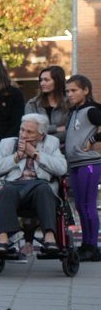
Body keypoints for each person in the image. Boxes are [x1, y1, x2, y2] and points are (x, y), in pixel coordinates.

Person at [0, 113, 66, 256]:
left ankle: (49, 236)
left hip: (40, 188)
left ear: (41, 135)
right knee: (6, 190)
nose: (23, 135)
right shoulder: (8, 143)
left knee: (43, 188)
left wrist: (35, 154)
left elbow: (61, 168)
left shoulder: (51, 142)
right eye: (22, 130)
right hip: (15, 187)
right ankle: (3, 237)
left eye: (29, 132)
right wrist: (16, 157)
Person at [64, 75, 101, 261]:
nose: (69, 94)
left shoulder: (92, 110)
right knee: (79, 205)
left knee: (88, 205)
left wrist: (94, 139)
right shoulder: (74, 112)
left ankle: (92, 247)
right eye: (68, 91)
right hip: (75, 164)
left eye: (74, 90)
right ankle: (85, 245)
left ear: (85, 90)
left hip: (89, 164)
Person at [25, 66, 68, 144]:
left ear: (58, 81)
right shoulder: (32, 104)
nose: (42, 83)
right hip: (38, 150)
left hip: (65, 149)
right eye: (41, 80)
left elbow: (70, 131)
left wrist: (44, 137)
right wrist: (56, 129)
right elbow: (29, 130)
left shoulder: (69, 103)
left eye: (46, 80)